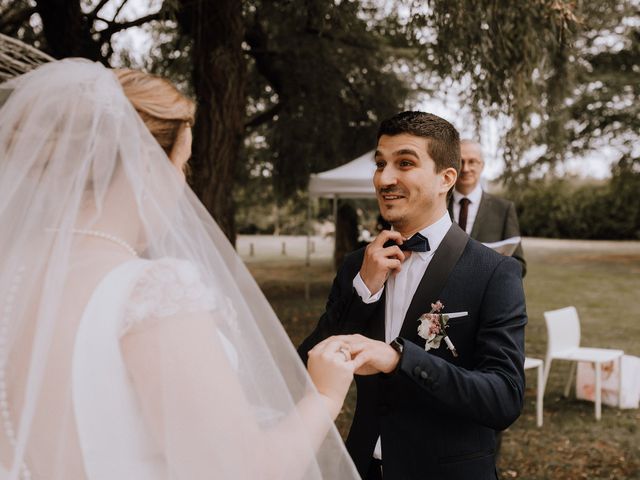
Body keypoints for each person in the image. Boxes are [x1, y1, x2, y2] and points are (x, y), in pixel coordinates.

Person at [0, 59, 362, 479]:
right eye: (183, 164)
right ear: (147, 168)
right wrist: (323, 396)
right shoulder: (149, 292)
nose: (182, 183)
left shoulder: (13, 274)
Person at [299, 111, 527, 480]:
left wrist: (399, 359)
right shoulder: (357, 265)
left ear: (446, 178)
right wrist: (364, 289)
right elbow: (307, 365)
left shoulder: (495, 272)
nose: (384, 179)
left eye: (404, 163)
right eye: (379, 164)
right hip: (362, 469)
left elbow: (504, 397)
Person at [448, 139, 526, 276]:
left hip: (484, 294)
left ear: (482, 165)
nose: (465, 168)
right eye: (461, 161)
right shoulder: (437, 204)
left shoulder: (504, 209)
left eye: (472, 161)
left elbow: (519, 264)